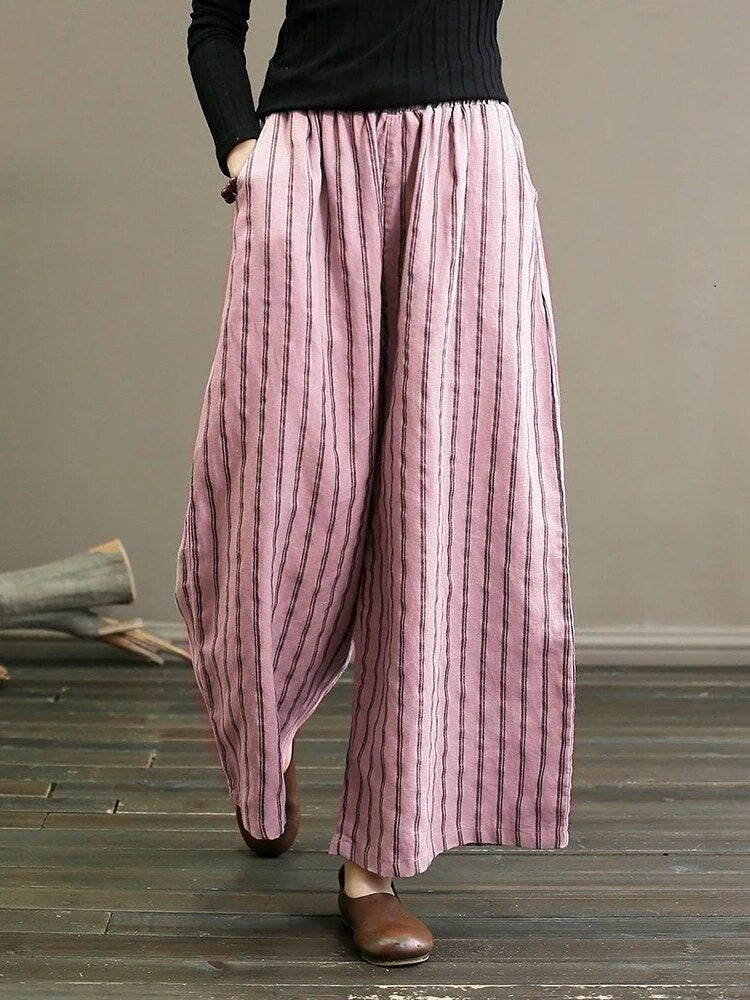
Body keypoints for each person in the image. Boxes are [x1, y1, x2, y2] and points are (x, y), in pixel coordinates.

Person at [175, 0, 576, 968]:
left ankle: (374, 863)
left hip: (463, 165)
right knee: (275, 494)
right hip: (310, 165)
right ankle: (263, 741)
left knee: (439, 508)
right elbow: (213, 22)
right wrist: (244, 151)